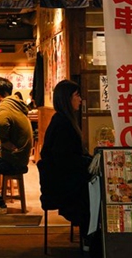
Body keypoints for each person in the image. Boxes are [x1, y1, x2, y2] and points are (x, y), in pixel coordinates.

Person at [37, 80, 92, 236]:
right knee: (94, 193)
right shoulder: (63, 124)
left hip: (60, 178)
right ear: (67, 98)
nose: (80, 99)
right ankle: (89, 238)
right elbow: (65, 160)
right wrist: (89, 161)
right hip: (62, 184)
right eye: (77, 95)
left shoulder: (62, 120)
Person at [0, 77, 33, 214]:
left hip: (12, 159)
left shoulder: (4, 106)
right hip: (16, 155)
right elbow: (0, 134)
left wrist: (5, 141)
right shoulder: (14, 104)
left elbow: (2, 125)